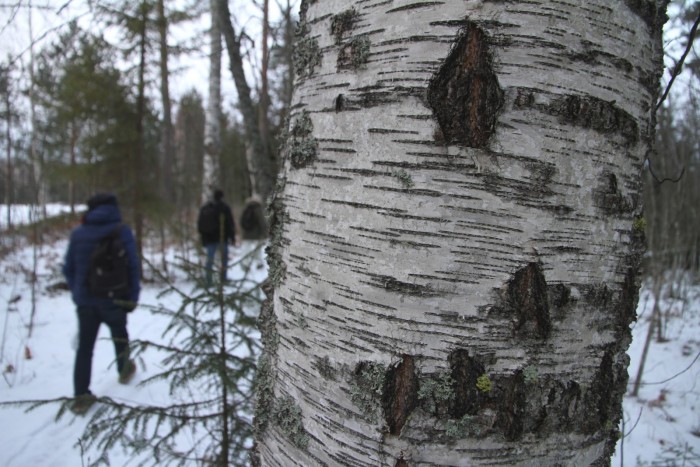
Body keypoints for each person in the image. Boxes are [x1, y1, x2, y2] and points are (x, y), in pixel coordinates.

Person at [62, 193, 140, 415]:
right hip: (115, 297)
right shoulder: (122, 231)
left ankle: (80, 396)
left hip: (86, 302)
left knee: (85, 349)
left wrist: (78, 291)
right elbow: (133, 266)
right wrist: (132, 297)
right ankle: (124, 370)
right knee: (119, 334)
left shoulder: (79, 233)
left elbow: (68, 268)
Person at [198, 189, 236, 285]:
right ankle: (223, 279)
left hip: (210, 239)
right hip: (222, 238)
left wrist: (203, 238)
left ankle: (208, 280)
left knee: (210, 260)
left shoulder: (206, 208)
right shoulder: (225, 208)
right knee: (224, 259)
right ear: (222, 196)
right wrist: (232, 237)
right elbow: (230, 223)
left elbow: (200, 224)